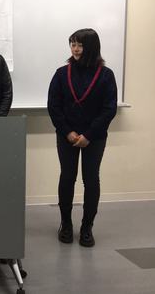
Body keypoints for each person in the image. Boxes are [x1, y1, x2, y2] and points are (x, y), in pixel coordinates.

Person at [48, 28, 117, 247]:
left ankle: (87, 227)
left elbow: (109, 109)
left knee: (91, 179)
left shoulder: (106, 75)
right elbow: (54, 106)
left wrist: (88, 135)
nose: (75, 49)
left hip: (94, 137)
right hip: (66, 135)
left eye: (80, 45)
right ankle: (66, 225)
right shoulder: (62, 73)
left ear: (92, 47)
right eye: (73, 44)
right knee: (68, 177)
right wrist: (68, 132)